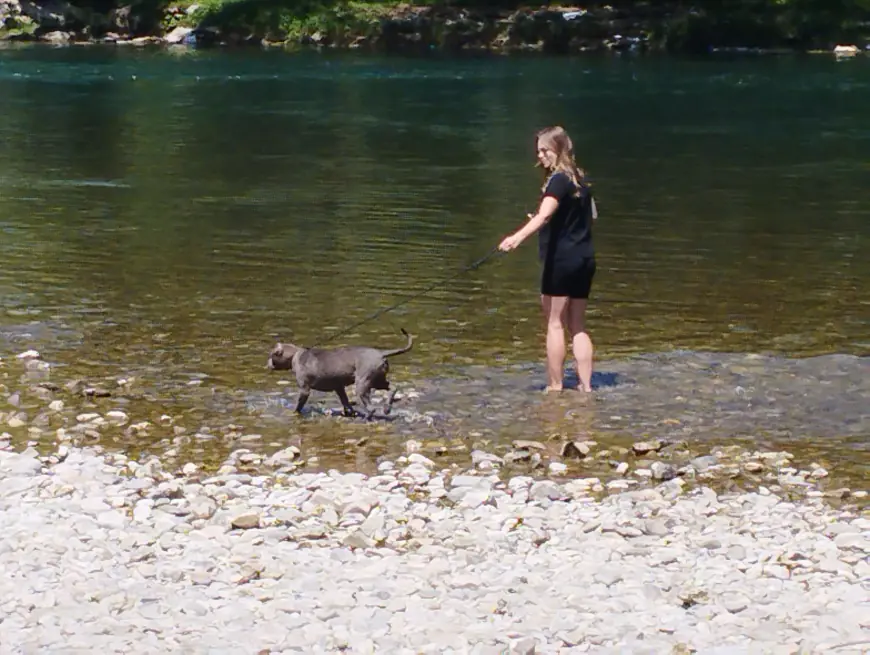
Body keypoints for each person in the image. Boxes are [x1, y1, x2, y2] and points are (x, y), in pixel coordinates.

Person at [498, 125, 598, 393]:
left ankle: (555, 386)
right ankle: (586, 387)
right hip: (584, 259)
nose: (540, 156)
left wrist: (516, 238)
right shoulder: (580, 179)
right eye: (539, 151)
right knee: (578, 325)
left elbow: (545, 214)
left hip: (561, 261)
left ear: (559, 150)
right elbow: (582, 217)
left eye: (545, 150)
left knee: (555, 323)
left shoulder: (558, 181)